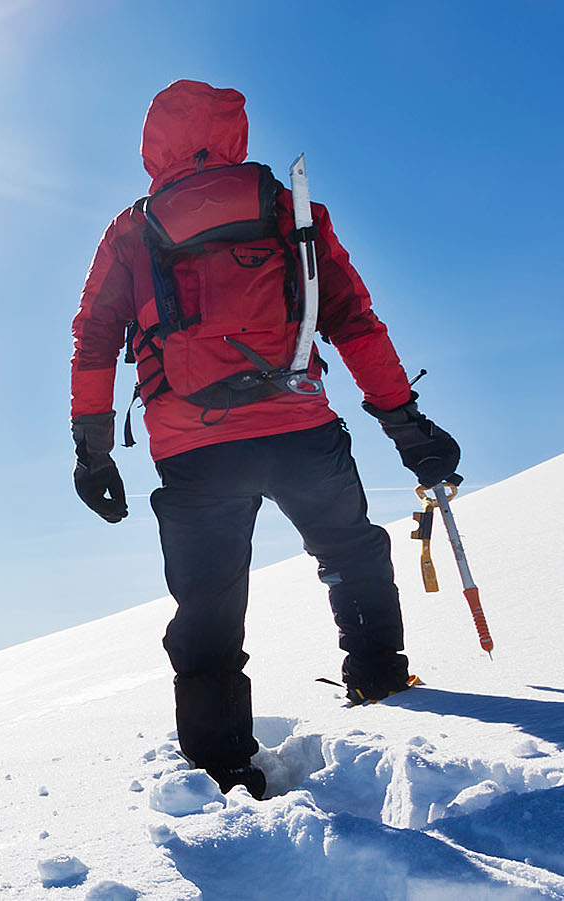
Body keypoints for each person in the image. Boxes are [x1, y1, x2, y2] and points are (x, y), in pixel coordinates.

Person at [66, 80, 462, 799]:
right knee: (348, 550)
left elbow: (93, 340)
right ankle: (380, 679)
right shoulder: (288, 207)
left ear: (154, 143)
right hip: (298, 425)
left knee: (209, 602)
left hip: (192, 445)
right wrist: (405, 420)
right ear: (236, 131)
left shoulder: (133, 228)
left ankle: (221, 769)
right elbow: (354, 318)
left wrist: (92, 449)